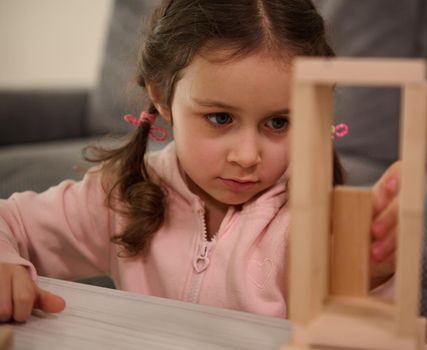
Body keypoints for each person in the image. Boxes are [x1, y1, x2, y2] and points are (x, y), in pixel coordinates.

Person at [0, 0, 400, 322]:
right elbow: (10, 222)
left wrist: (371, 274)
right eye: (220, 118)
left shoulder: (312, 220)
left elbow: (360, 324)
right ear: (162, 97)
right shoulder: (121, 193)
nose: (247, 156)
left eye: (278, 122)